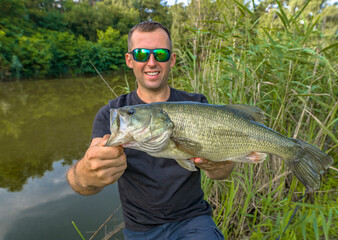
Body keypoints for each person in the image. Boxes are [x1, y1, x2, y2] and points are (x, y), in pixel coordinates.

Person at [67, 21, 235, 239]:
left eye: (161, 54)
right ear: (130, 60)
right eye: (141, 54)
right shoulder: (112, 113)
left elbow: (223, 173)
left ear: (172, 59)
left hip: (193, 220)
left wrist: (218, 165)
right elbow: (82, 187)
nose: (151, 62)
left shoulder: (197, 104)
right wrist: (86, 173)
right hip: (140, 229)